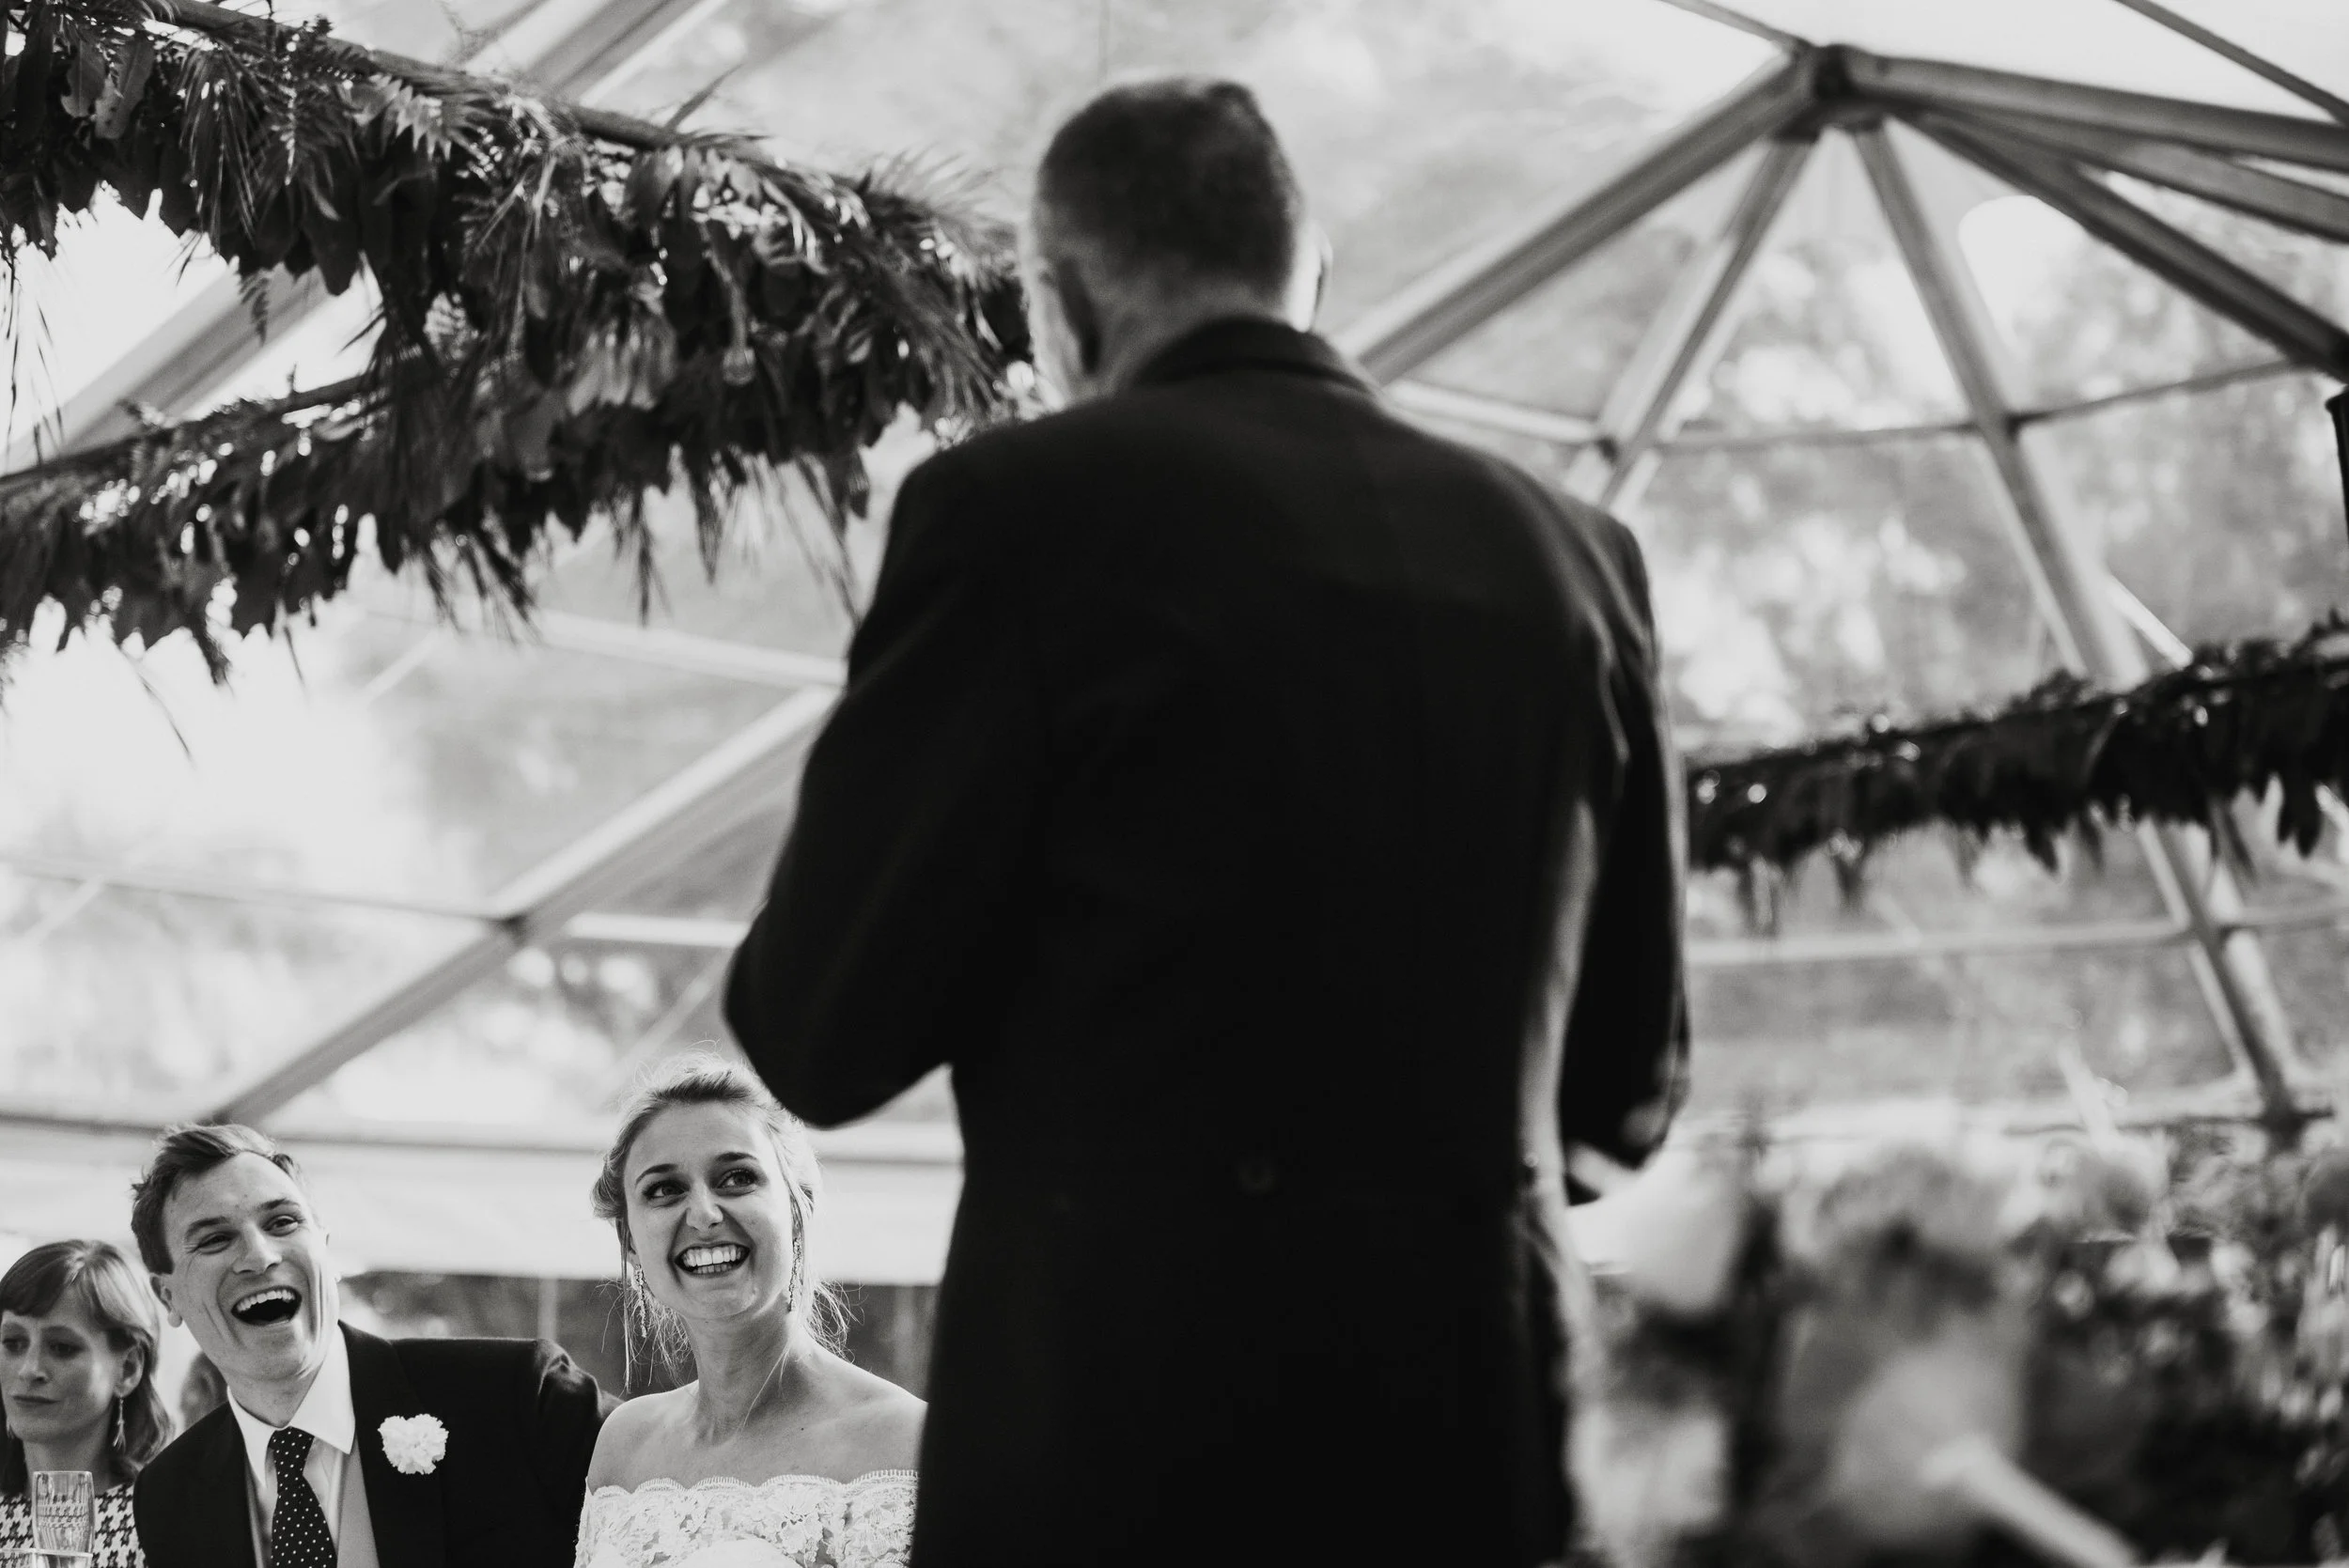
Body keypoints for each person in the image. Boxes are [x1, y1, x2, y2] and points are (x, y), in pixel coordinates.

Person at [723, 76, 1688, 1568]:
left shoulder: (1020, 512)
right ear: (1314, 279)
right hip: (1488, 1447)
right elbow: (1624, 1091)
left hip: (1126, 1448)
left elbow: (820, 1030)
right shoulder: (1573, 553)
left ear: (1060, 301)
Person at [126, 1124, 612, 1568]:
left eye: (282, 1223)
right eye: (214, 1239)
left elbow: (679, 1498)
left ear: (325, 1247)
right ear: (168, 1296)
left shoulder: (517, 1395)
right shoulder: (167, 1495)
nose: (259, 1256)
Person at [573, 1057, 922, 1568]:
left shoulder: (905, 1442)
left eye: (736, 1178)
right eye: (663, 1190)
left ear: (798, 1209)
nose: (705, 1215)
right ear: (630, 1241)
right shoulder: (623, 1445)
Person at [0, 1240, 173, 1567]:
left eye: (62, 1348)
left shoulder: (165, 1524)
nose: (29, 1369)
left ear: (128, 1369)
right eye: (13, 1343)